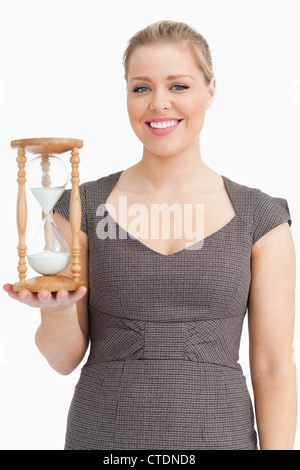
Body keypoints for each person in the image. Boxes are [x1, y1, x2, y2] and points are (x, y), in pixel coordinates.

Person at [3, 20, 297, 450]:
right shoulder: (78, 209)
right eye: (141, 88)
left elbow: (273, 365)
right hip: (103, 438)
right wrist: (58, 311)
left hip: (220, 437)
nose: (159, 104)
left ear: (210, 91)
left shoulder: (260, 218)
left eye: (179, 86)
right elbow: (62, 359)